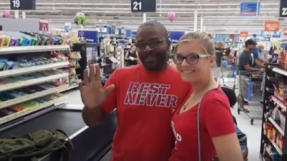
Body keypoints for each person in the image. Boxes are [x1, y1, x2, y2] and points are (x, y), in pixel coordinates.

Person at [79, 22, 191, 161]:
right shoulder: (120, 77)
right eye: (141, 44)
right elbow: (93, 121)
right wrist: (92, 107)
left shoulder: (186, 82)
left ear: (168, 44)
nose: (147, 49)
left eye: (155, 42)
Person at [169, 32, 243, 161]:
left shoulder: (213, 103)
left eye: (193, 57)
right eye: (179, 57)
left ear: (211, 61)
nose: (184, 64)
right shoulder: (193, 91)